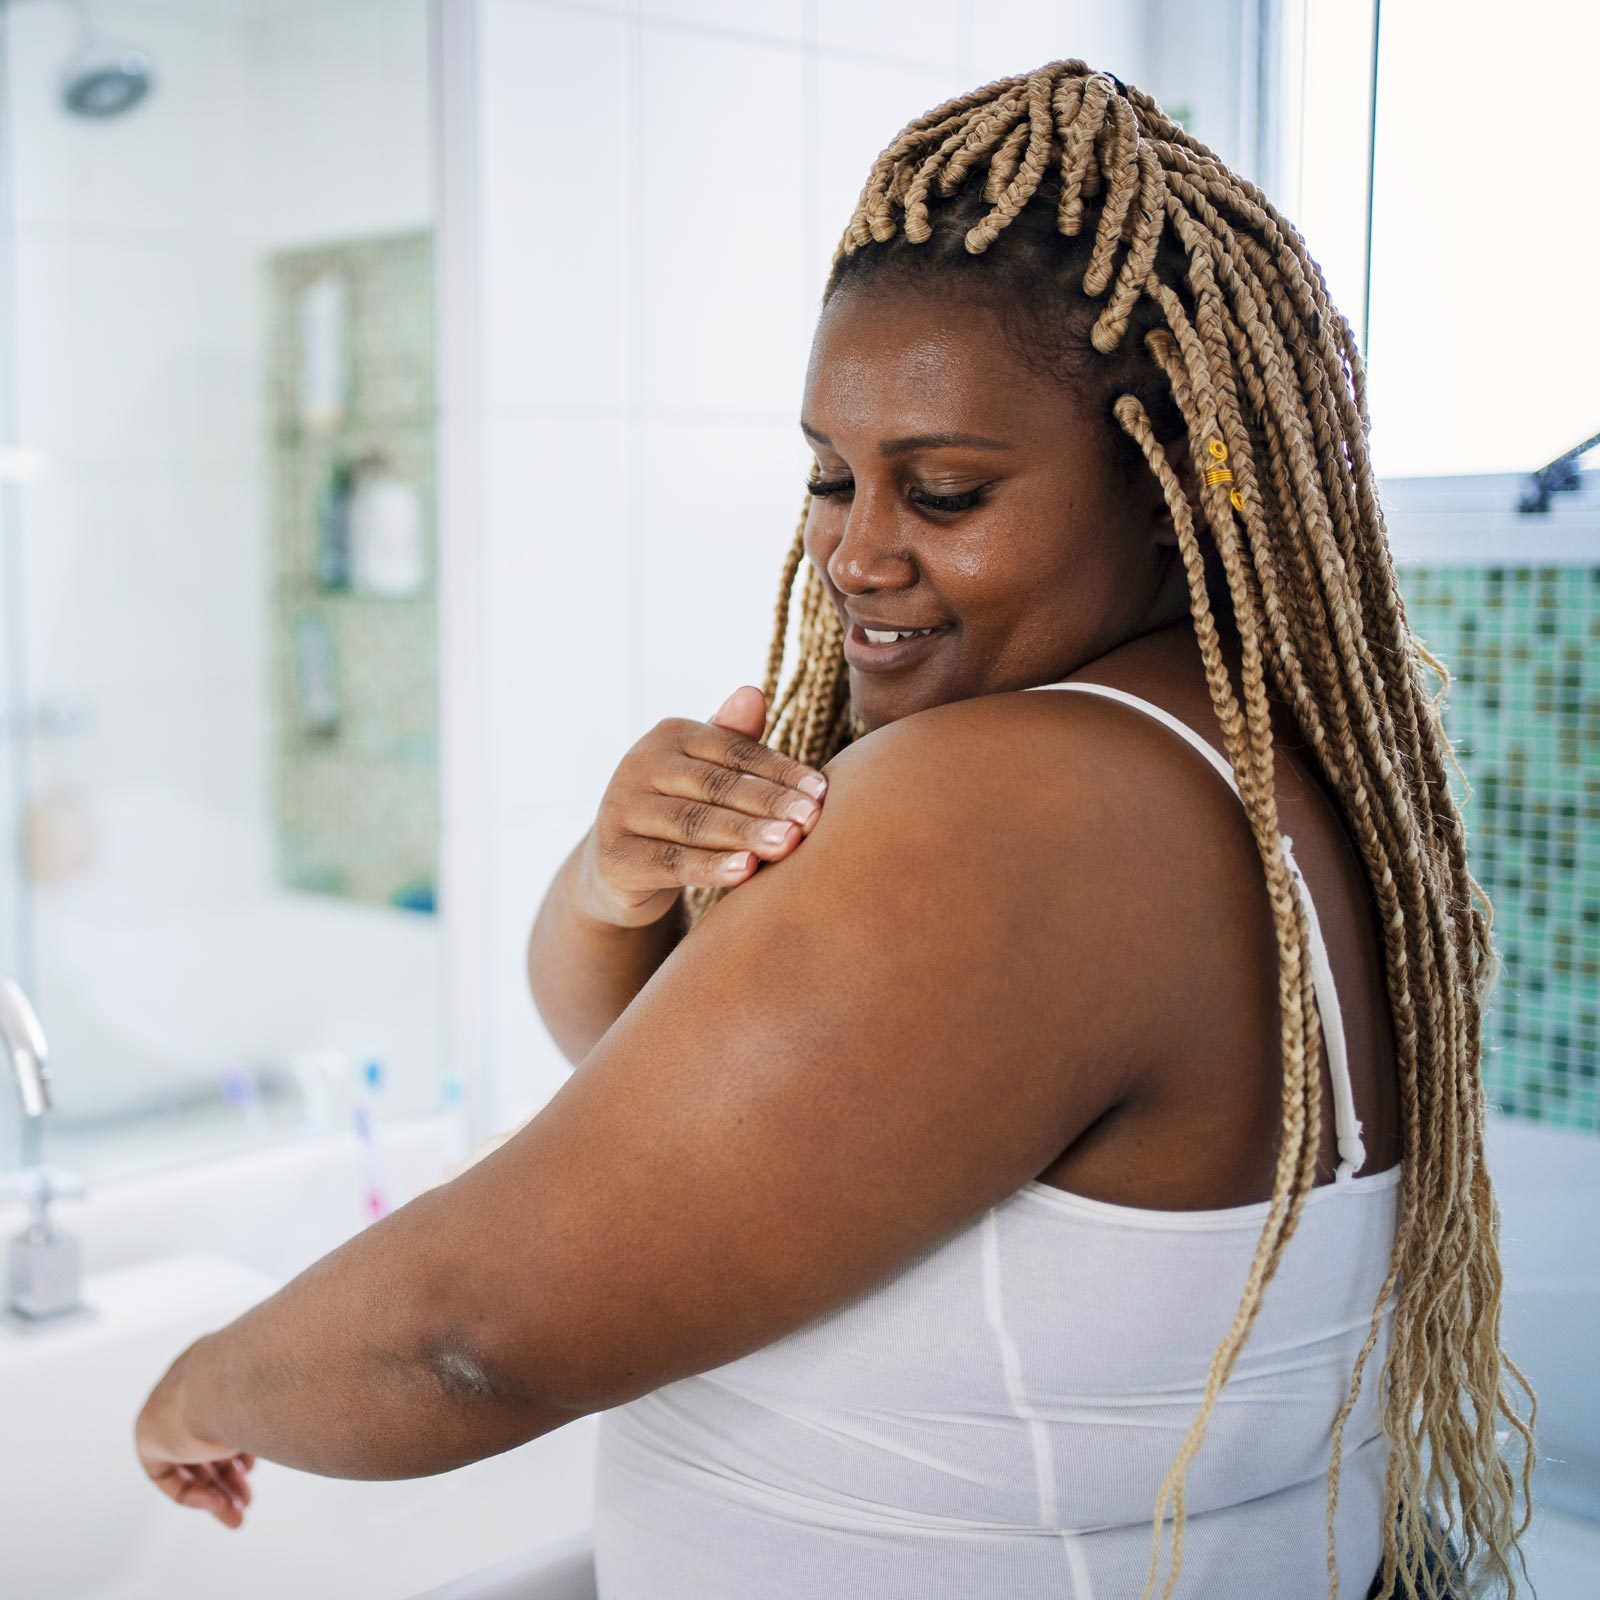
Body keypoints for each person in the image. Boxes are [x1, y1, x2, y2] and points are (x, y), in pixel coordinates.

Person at [134, 59, 1532, 1600]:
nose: (857, 553)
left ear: (1170, 494)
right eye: (830, 476)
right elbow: (706, 1115)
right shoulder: (1251, 771)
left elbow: (460, 1347)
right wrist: (616, 887)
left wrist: (193, 1386)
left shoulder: (1018, 801)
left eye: (942, 492)